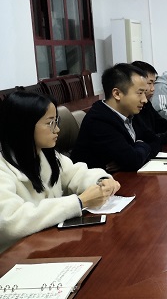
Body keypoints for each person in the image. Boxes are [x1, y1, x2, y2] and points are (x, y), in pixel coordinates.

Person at [0, 91, 120, 252]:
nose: (57, 129)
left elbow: (75, 174)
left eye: (56, 121)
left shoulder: (46, 153)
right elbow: (11, 221)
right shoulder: (3, 167)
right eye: (50, 123)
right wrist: (79, 202)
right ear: (24, 126)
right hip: (16, 254)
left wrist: (101, 181)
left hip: (50, 242)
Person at [71, 63, 161, 173]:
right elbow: (133, 161)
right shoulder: (99, 121)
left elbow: (156, 141)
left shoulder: (129, 113)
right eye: (140, 93)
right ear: (117, 94)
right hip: (98, 181)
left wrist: (134, 153)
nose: (144, 100)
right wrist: (140, 146)